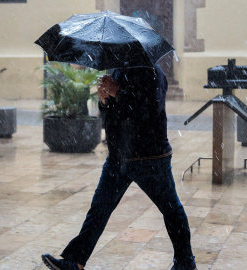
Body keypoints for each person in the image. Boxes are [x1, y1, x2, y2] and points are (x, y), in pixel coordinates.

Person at [41, 64, 197, 270]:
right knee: (99, 208)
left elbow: (150, 110)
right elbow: (113, 114)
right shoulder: (117, 71)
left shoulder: (152, 72)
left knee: (170, 209)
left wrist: (118, 92)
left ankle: (186, 263)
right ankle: (75, 261)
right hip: (119, 156)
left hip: (149, 157)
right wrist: (104, 100)